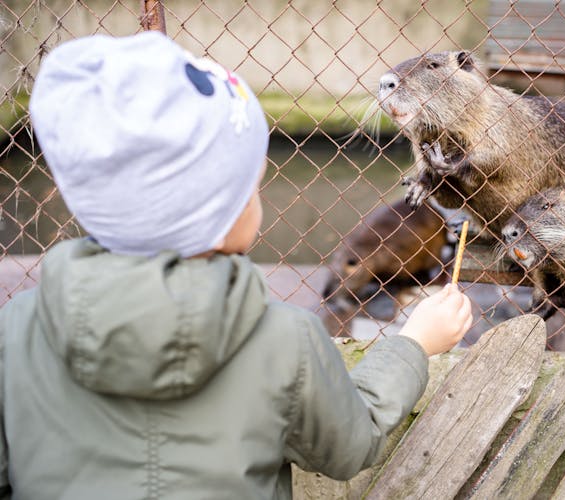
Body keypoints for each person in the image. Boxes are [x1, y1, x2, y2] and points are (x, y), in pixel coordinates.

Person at [0, 31, 473, 499]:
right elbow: (351, 445)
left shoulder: (14, 331)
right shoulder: (286, 341)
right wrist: (413, 344)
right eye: (249, 186)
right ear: (218, 212)